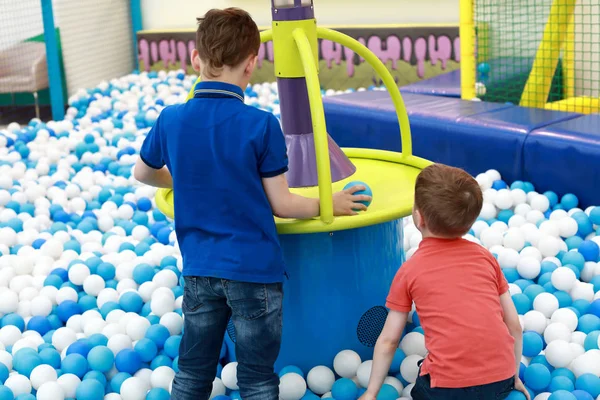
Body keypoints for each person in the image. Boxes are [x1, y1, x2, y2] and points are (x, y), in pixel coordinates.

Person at [133, 7, 370, 400]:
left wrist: (182, 181)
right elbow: (283, 203)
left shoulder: (170, 118)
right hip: (253, 273)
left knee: (192, 374)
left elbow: (143, 172)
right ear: (251, 65)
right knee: (258, 379)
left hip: (200, 270)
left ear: (196, 59)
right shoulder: (260, 124)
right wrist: (331, 202)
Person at [359, 164, 529, 400]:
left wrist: (371, 392)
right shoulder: (486, 258)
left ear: (418, 218)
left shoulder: (410, 270)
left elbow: (389, 340)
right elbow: (514, 326)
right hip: (498, 382)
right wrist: (514, 376)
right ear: (470, 222)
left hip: (446, 390)